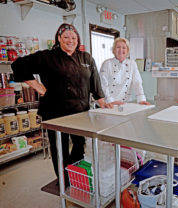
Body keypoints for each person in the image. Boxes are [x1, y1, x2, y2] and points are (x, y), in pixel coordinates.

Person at [11, 23, 112, 186]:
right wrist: (39, 88)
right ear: (58, 39)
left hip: (80, 113)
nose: (70, 40)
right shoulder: (47, 57)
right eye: (66, 37)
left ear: (77, 39)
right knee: (60, 147)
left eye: (73, 37)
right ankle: (64, 181)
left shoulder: (86, 58)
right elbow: (18, 65)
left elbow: (95, 81)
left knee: (79, 144)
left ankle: (73, 173)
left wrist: (102, 102)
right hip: (55, 112)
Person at [99, 37, 150, 105]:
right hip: (109, 104)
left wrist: (141, 99)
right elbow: (103, 84)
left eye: (124, 48)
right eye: (118, 47)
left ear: (127, 51)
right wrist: (110, 100)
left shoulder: (132, 64)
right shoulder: (107, 63)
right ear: (113, 50)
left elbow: (137, 82)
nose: (121, 50)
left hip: (125, 103)